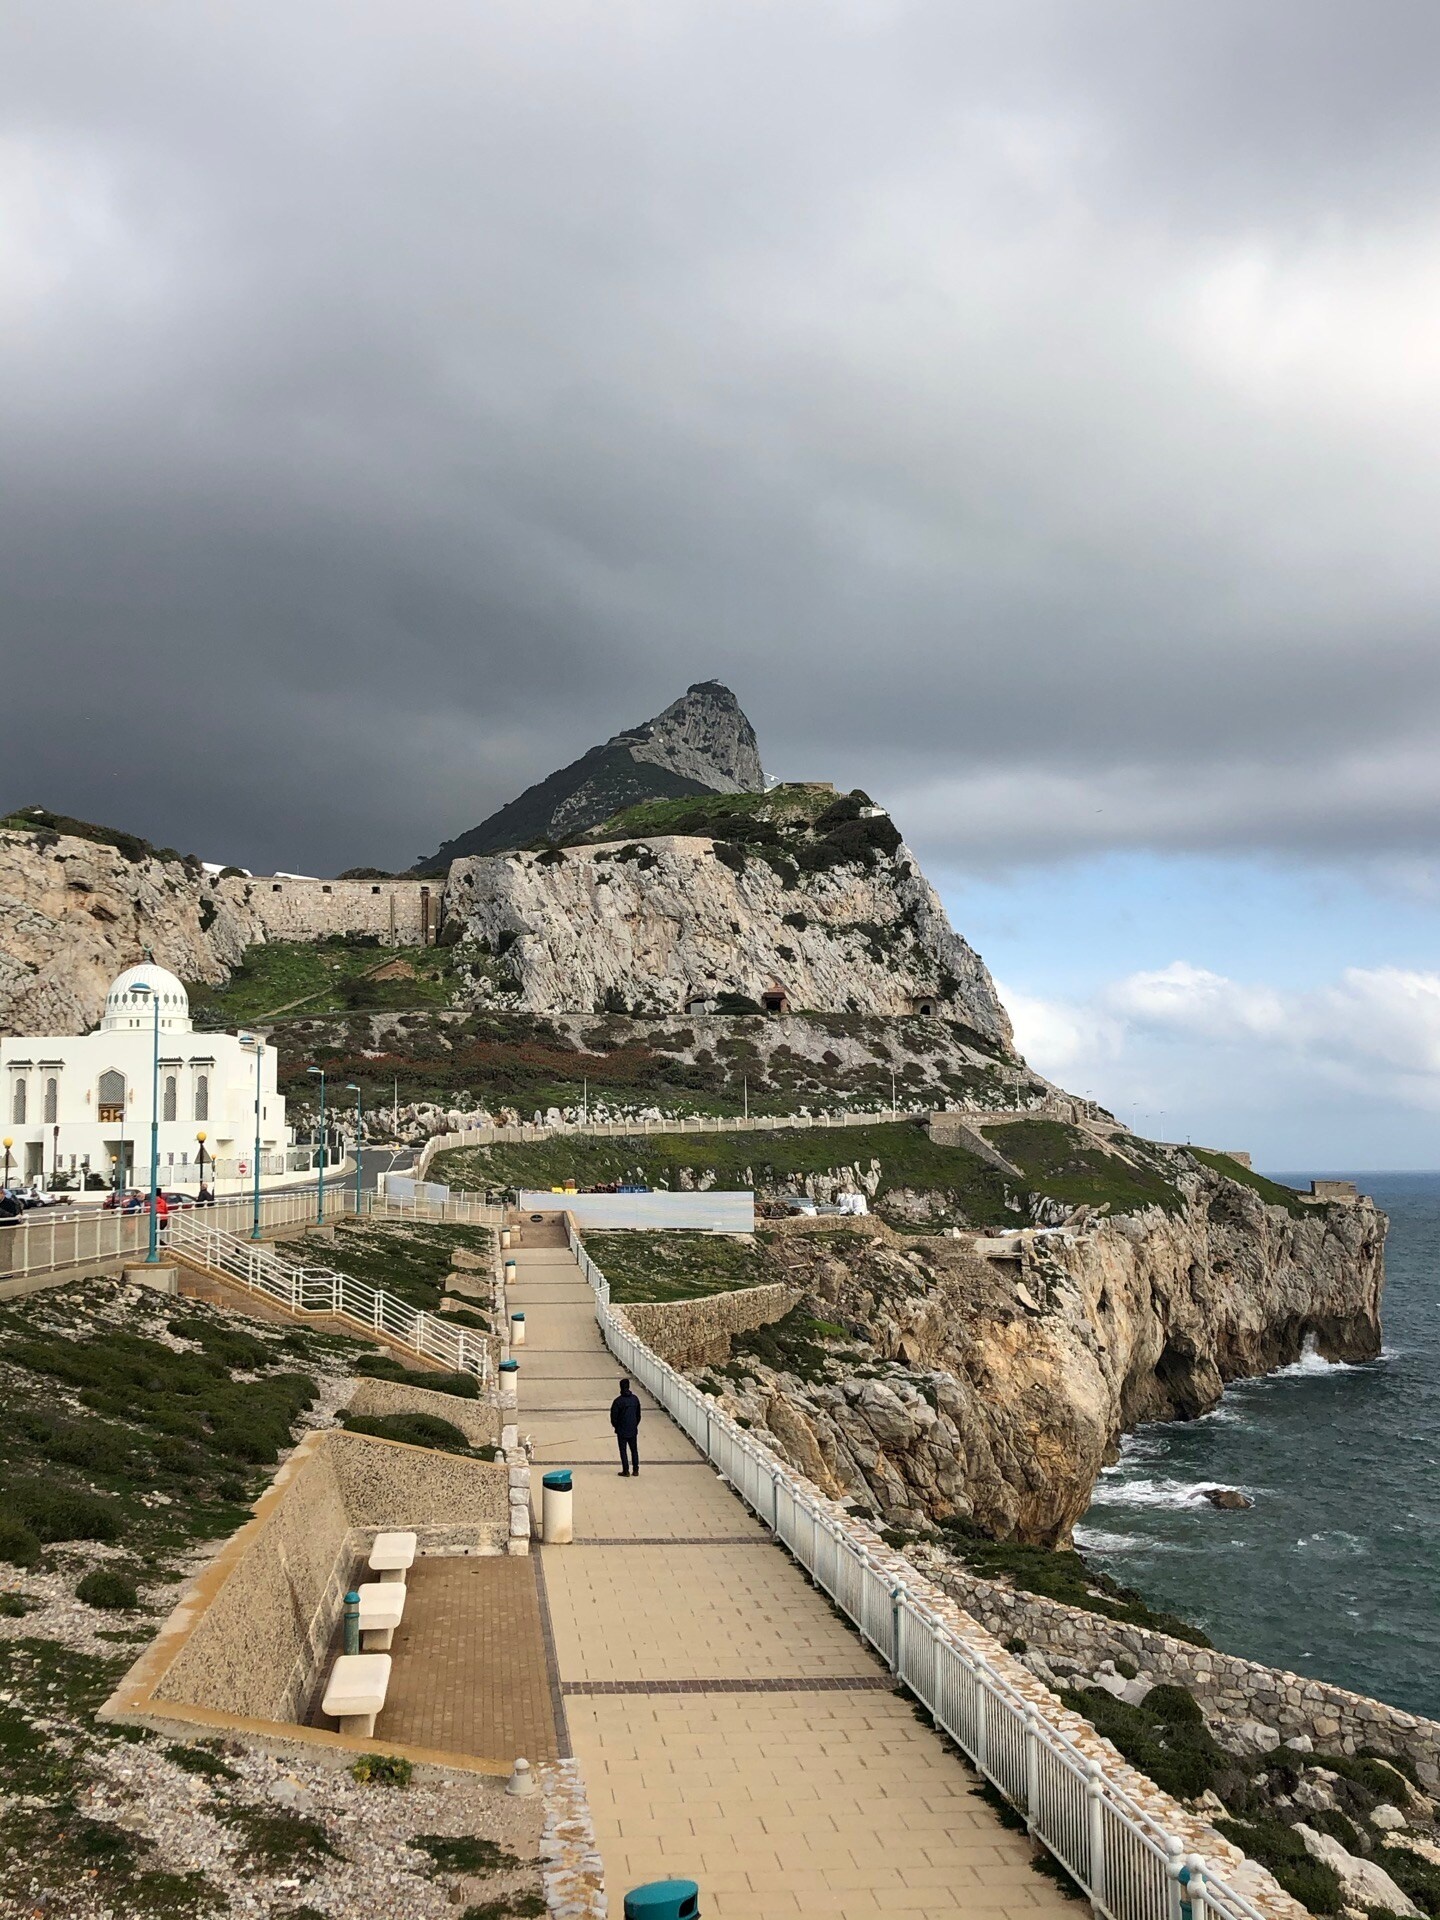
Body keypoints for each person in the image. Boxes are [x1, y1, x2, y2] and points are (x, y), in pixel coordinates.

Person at [609, 1376, 642, 1477]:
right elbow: (638, 1415)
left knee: (623, 1450)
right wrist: (634, 1424)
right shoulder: (635, 1399)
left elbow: (613, 1417)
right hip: (632, 1429)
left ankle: (626, 1470)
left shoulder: (618, 1401)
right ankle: (635, 1470)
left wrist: (617, 1426)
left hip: (622, 1430)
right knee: (634, 1450)